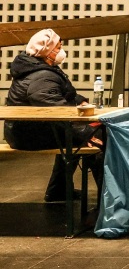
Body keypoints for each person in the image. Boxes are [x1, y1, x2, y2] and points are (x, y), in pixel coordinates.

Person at [3, 29, 104, 203]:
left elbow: (62, 95)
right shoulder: (41, 76)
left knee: (73, 138)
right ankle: (107, 195)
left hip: (23, 130)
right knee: (96, 136)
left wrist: (80, 101)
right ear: (47, 51)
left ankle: (58, 190)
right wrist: (85, 132)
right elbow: (55, 108)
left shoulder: (39, 69)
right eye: (58, 47)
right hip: (27, 135)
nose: (61, 51)